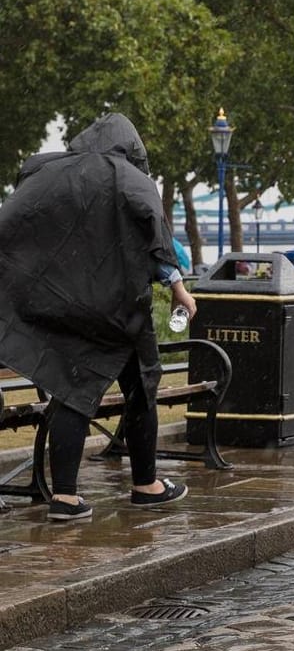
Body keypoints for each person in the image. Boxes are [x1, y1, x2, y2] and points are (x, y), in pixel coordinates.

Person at [0, 114, 195, 521]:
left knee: (72, 392)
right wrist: (178, 287)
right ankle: (146, 485)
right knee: (142, 388)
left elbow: (14, 226)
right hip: (119, 312)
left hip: (62, 310)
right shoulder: (130, 179)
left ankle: (66, 498)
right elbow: (155, 241)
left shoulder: (46, 173)